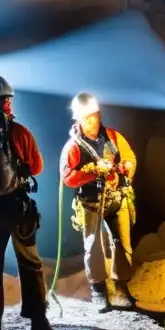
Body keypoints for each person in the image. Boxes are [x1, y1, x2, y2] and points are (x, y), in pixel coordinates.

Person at [0, 75, 55, 330]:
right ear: (8, 101)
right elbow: (38, 167)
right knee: (30, 263)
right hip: (17, 208)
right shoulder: (19, 132)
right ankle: (38, 323)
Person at [59, 92, 137, 312]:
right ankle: (99, 290)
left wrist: (126, 170)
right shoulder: (73, 147)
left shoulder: (113, 137)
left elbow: (130, 157)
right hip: (91, 201)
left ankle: (121, 287)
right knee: (94, 246)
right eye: (86, 117)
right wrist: (92, 172)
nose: (92, 121)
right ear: (78, 119)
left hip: (116, 197)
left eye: (94, 115)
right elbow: (68, 178)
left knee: (123, 243)